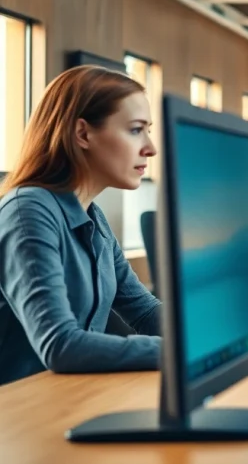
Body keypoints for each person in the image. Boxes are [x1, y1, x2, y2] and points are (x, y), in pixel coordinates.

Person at [0, 66, 162, 386]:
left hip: (66, 398)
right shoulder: (28, 210)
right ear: (83, 134)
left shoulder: (92, 217)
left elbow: (145, 312)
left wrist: (219, 335)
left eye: (148, 131)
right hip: (17, 417)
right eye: (134, 130)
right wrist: (177, 351)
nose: (150, 148)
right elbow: (61, 345)